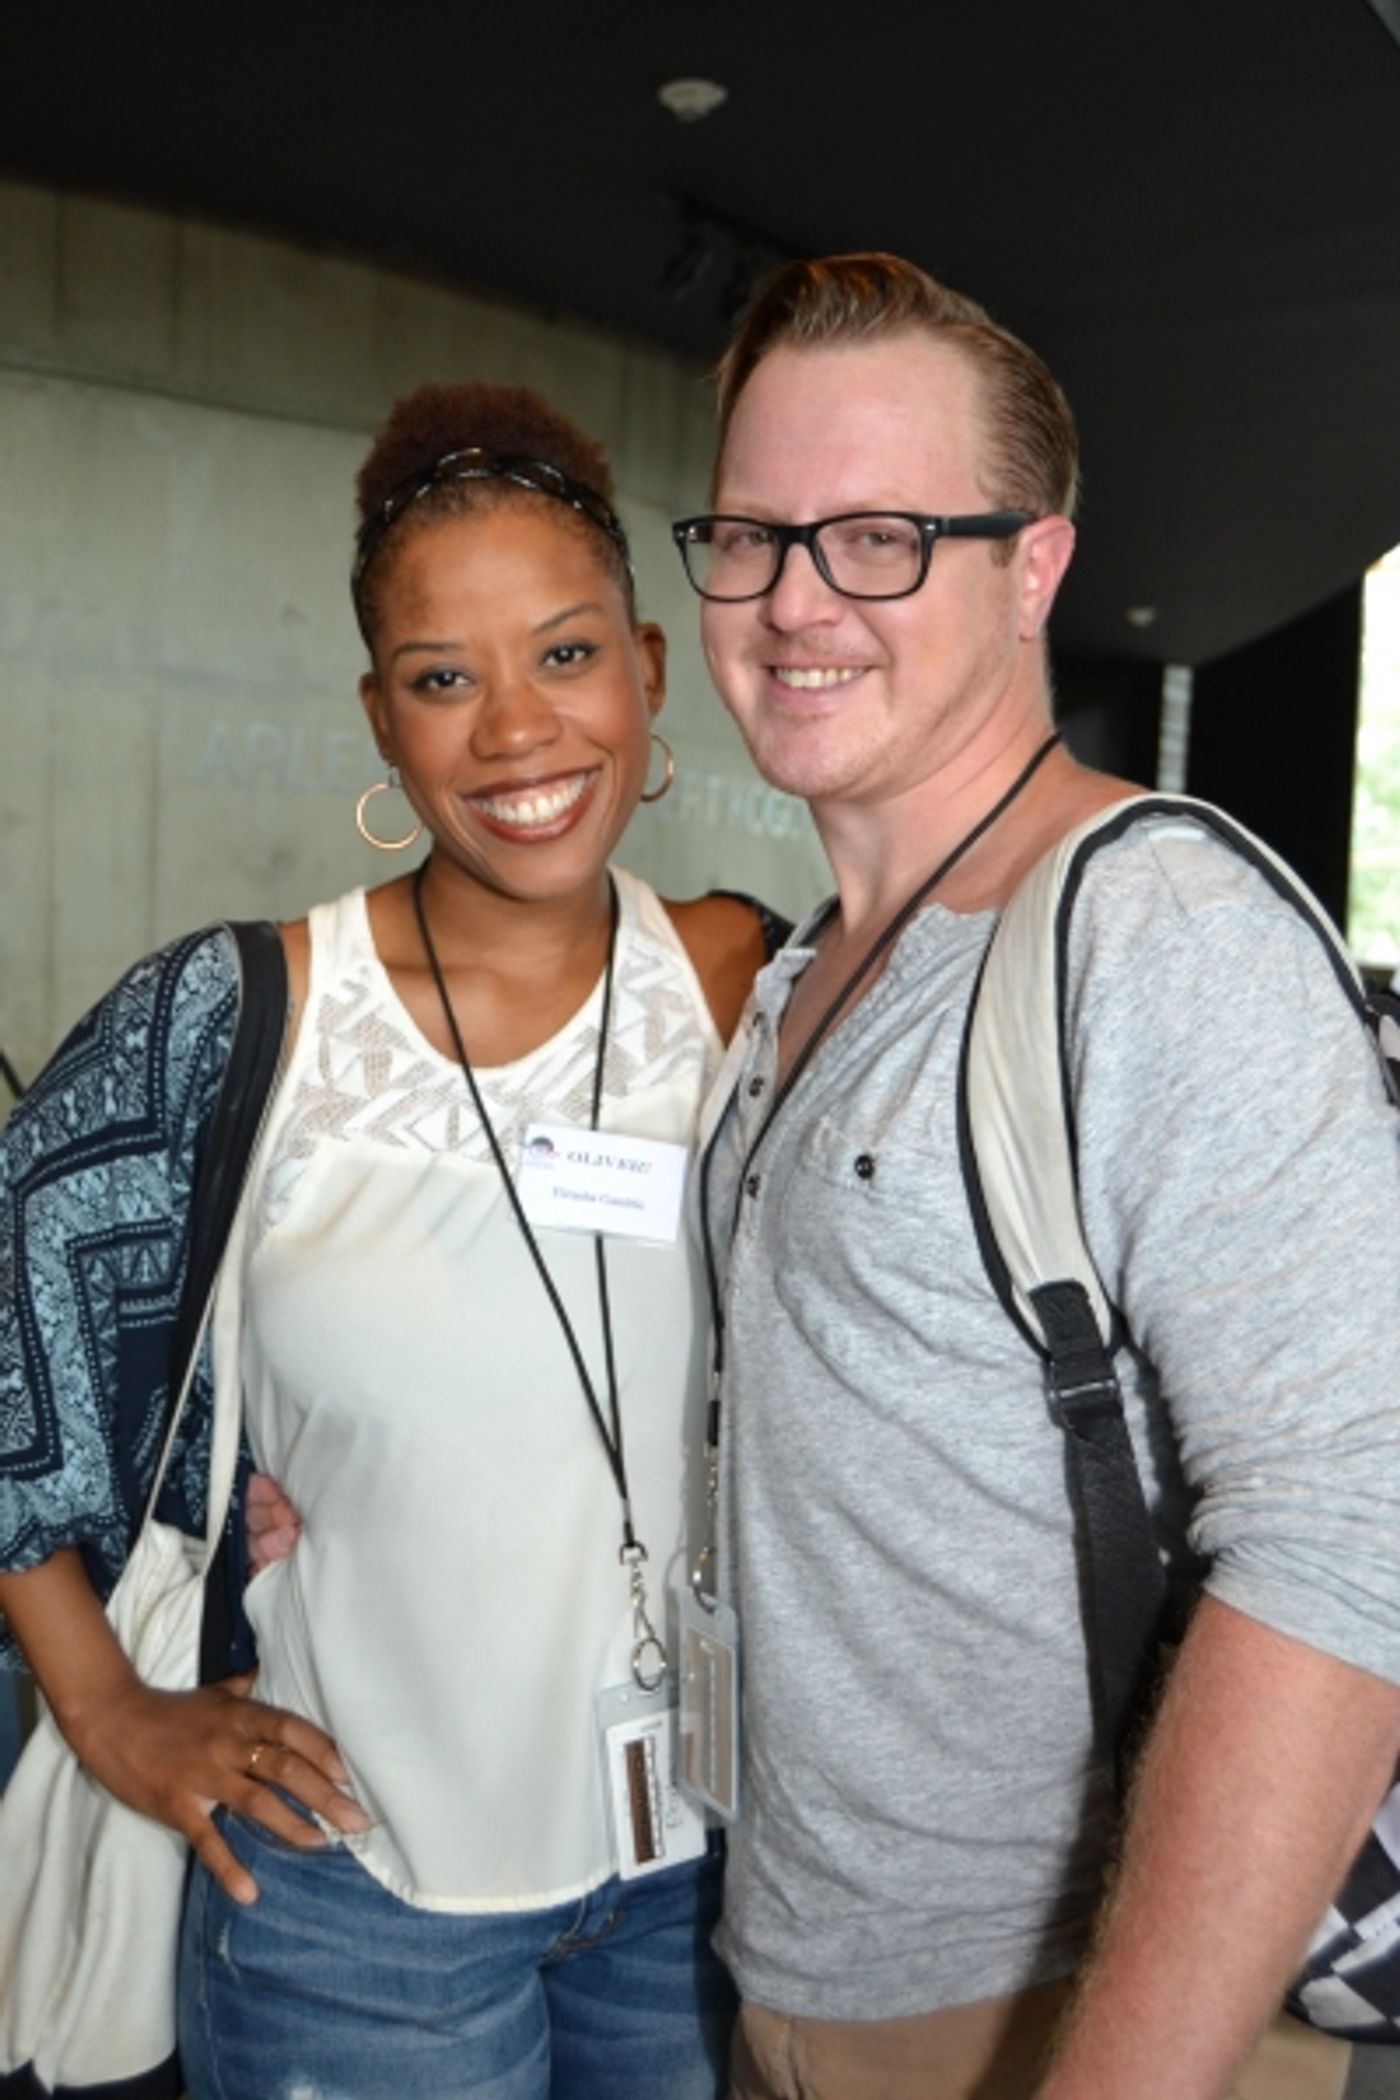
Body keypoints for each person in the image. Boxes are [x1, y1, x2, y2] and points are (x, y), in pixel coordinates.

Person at [669, 254, 1400, 2099]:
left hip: (1073, 2016)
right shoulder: (793, 979)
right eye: (751, 533)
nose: (796, 597)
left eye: (885, 537)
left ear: (1036, 569)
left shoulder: (1152, 930)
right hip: (786, 1974)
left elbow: (1349, 1543)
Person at [0, 380, 776, 2099]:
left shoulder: (748, 981)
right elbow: (10, 1360)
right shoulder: (236, 1018)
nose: (516, 731)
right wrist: (109, 1707)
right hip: (357, 1901)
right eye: (445, 679)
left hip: (699, 1877)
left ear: (650, 666)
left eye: (565, 656)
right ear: (378, 713)